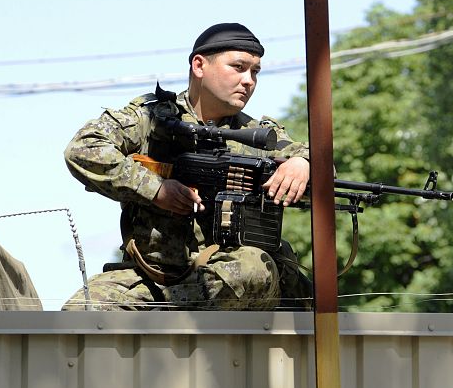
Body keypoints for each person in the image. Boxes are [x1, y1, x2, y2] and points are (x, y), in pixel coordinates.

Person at [62, 23, 311, 311]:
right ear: (199, 65)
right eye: (239, 67)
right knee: (81, 312)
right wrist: (156, 189)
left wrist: (303, 163)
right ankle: (174, 312)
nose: (249, 80)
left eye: (255, 71)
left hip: (230, 277)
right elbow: (83, 148)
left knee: (252, 269)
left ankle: (172, 315)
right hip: (149, 279)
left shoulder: (257, 135)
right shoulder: (151, 119)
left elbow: (324, 171)